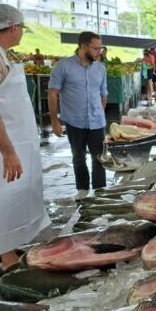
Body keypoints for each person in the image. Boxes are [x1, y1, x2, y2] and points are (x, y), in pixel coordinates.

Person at [0, 4, 50, 272]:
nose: (22, 32)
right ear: (14, 27)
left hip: (9, 135)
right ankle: (5, 256)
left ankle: (6, 245)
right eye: (22, 28)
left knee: (13, 190)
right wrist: (7, 151)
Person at [48, 31, 108, 201]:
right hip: (74, 121)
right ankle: (82, 191)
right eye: (96, 49)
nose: (99, 52)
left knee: (99, 159)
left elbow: (103, 95)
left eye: (100, 48)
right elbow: (53, 93)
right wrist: (55, 121)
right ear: (83, 46)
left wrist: (99, 113)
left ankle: (100, 193)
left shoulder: (100, 69)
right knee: (78, 157)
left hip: (97, 122)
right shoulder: (63, 66)